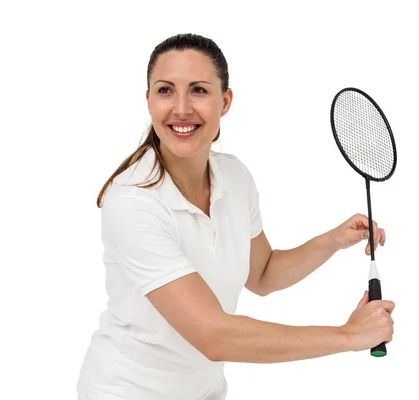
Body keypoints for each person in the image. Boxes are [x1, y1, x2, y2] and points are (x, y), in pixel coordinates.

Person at [76, 33, 395, 400]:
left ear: (225, 101)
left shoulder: (234, 177)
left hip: (206, 392)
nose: (181, 108)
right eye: (165, 91)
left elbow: (262, 274)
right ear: (148, 99)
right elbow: (215, 336)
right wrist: (348, 336)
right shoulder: (131, 202)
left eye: (198, 90)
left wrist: (335, 240)